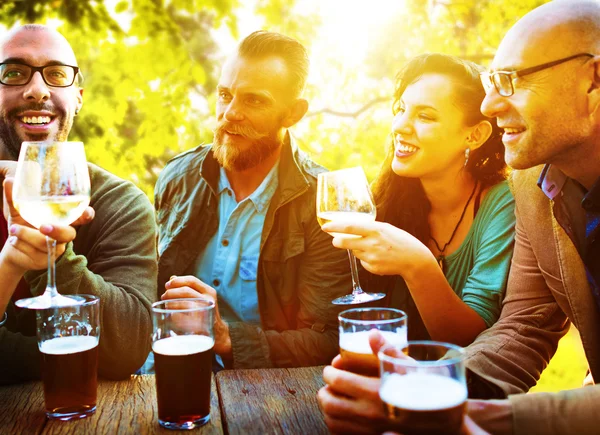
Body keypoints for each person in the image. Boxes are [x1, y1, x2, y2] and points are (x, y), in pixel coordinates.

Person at [319, 0, 600, 433]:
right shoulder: (533, 187)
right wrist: (426, 392)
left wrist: (477, 415)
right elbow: (522, 330)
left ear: (593, 80)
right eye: (490, 83)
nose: (488, 104)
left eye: (510, 80)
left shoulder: (502, 199)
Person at [155, 30, 351, 369]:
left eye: (254, 100)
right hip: (175, 369)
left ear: (293, 113)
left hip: (271, 392)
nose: (230, 113)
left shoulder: (322, 201)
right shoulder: (177, 177)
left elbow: (330, 339)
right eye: (225, 95)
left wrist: (227, 338)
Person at [321, 53, 514, 347]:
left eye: (424, 116)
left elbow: (471, 341)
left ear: (474, 135)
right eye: (401, 109)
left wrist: (418, 265)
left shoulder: (500, 204)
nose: (399, 126)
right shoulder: (389, 197)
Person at [0, 24, 157, 384]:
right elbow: (101, 354)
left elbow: (127, 348)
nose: (37, 90)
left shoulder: (121, 203)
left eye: (56, 74)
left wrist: (52, 258)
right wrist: (71, 354)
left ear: (78, 98)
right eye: (14, 73)